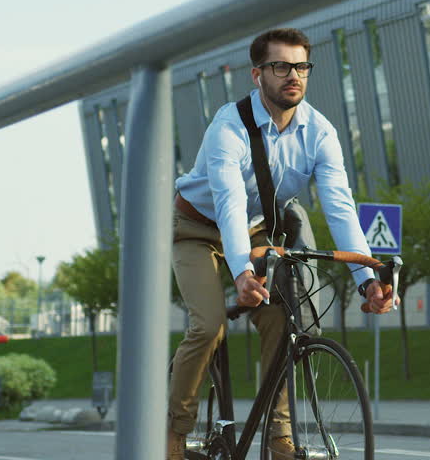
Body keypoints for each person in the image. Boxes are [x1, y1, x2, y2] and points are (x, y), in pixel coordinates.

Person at [167, 27, 395, 460]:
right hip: (197, 229)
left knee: (283, 319)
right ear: (258, 75)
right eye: (281, 66)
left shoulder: (320, 133)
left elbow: (341, 208)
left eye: (302, 66)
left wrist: (367, 278)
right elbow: (230, 204)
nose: (294, 75)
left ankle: (279, 438)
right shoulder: (228, 127)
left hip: (258, 231)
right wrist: (242, 274)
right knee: (210, 323)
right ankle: (173, 434)